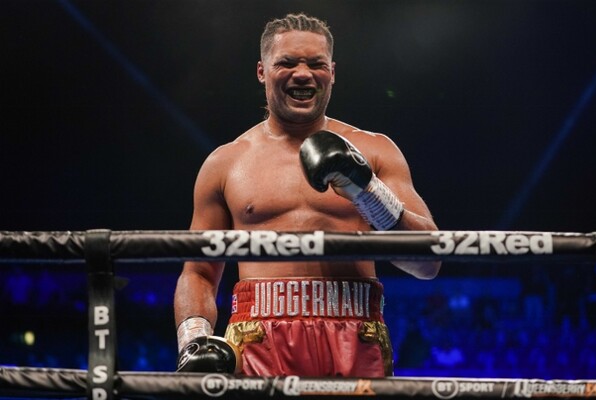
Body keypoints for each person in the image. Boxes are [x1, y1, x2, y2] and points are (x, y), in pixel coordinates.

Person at [173, 13, 440, 378]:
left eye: (316, 64)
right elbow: (199, 273)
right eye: (287, 63)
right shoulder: (225, 163)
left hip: (355, 337)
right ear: (262, 71)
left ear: (332, 72)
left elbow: (428, 263)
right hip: (258, 340)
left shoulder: (376, 151)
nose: (302, 74)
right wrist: (193, 341)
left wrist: (365, 189)